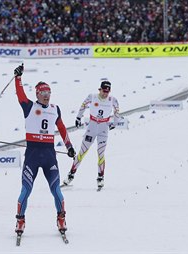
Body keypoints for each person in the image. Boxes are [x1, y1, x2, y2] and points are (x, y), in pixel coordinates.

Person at [12, 64, 76, 236]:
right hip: (32, 155)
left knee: (56, 190)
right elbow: (20, 95)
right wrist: (18, 78)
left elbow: (62, 128)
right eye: (43, 93)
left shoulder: (55, 109)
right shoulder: (29, 107)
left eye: (49, 93)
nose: (47, 96)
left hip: (49, 155)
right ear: (38, 94)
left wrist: (69, 146)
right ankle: (20, 220)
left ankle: (61, 218)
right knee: (26, 190)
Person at [62, 81, 120, 190]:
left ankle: (100, 177)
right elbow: (83, 106)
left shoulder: (113, 99)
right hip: (92, 127)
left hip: (103, 128)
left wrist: (115, 123)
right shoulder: (92, 96)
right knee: (82, 152)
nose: (105, 94)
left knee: (101, 153)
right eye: (103, 91)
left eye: (107, 92)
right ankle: (71, 175)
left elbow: (117, 111)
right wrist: (78, 118)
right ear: (100, 89)